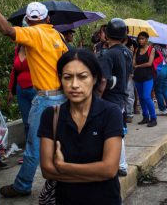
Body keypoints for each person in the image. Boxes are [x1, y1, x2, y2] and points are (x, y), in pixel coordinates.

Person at [0, 0, 69, 197]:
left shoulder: (33, 33)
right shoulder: (57, 36)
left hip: (45, 99)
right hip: (62, 97)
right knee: (58, 144)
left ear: (29, 19)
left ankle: (23, 185)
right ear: (47, 19)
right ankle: (62, 181)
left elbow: (7, 30)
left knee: (34, 146)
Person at [38, 49, 123, 205]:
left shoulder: (110, 113)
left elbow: (109, 169)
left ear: (94, 78)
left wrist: (63, 167)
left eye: (82, 77)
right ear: (60, 79)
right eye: (67, 77)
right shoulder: (51, 115)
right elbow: (47, 170)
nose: (74, 85)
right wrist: (95, 173)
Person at [97, 18, 131, 176]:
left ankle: (120, 165)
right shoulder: (127, 52)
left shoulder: (108, 55)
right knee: (118, 131)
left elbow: (103, 79)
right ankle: (121, 164)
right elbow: (129, 74)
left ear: (107, 34)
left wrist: (97, 98)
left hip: (110, 98)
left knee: (111, 133)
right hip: (122, 96)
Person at [7, 44, 36, 145]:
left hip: (35, 88)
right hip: (21, 90)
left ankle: (39, 150)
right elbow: (14, 70)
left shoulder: (34, 47)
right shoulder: (18, 48)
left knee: (36, 122)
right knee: (26, 122)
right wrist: (10, 90)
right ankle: (29, 148)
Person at [133, 32, 158, 127]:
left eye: (142, 38)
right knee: (141, 98)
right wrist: (133, 61)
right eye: (139, 39)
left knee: (147, 97)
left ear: (147, 39)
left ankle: (153, 118)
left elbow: (149, 63)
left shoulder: (152, 49)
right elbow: (133, 61)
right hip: (138, 77)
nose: (140, 40)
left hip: (148, 76)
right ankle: (145, 116)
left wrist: (138, 65)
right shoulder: (137, 49)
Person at [153, 44, 167, 116]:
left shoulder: (155, 47)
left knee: (158, 90)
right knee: (165, 90)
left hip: (159, 68)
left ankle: (162, 109)